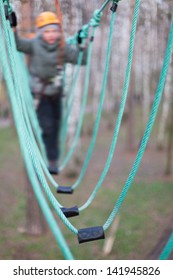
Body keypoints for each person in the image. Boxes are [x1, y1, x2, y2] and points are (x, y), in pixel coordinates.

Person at [11, 11, 87, 175]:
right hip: (41, 95)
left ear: (59, 32)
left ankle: (53, 158)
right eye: (46, 31)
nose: (51, 35)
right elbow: (17, 45)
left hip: (56, 94)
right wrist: (14, 28)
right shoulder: (34, 44)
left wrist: (81, 45)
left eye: (54, 31)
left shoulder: (63, 48)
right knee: (47, 127)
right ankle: (51, 160)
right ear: (40, 33)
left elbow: (82, 60)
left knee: (57, 126)